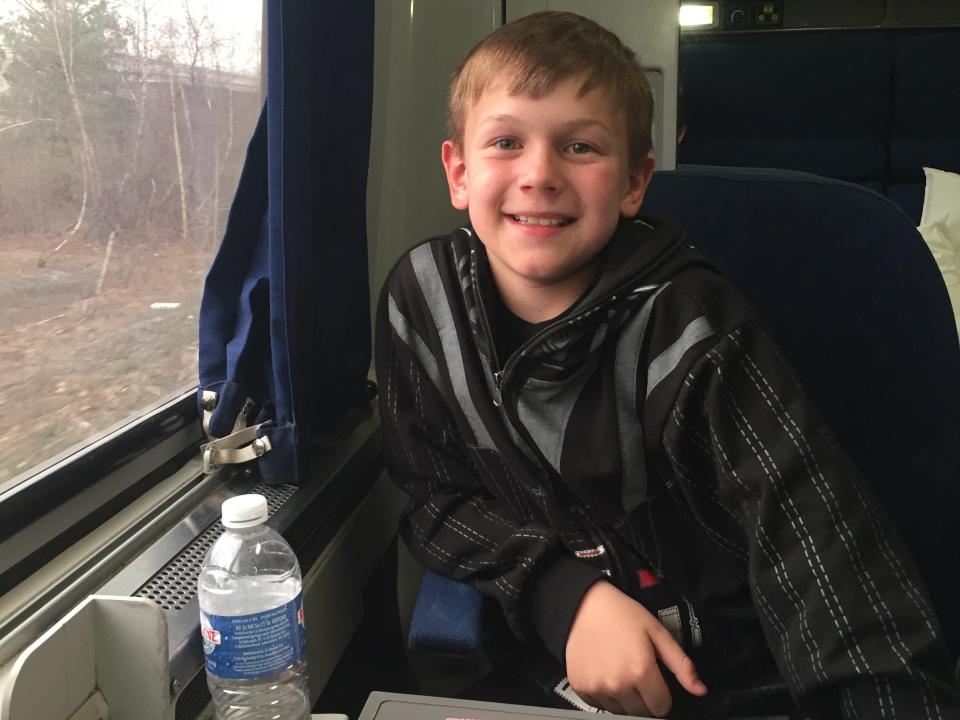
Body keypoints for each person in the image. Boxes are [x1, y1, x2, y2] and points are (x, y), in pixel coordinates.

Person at [375, 11, 960, 719]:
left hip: (737, 684)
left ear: (633, 182)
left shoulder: (691, 330)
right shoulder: (419, 304)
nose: (539, 174)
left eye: (580, 147)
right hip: (549, 674)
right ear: (459, 173)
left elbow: (818, 545)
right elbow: (436, 495)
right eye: (506, 142)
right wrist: (565, 594)